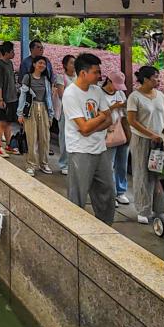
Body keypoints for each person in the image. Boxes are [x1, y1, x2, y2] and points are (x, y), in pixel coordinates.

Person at [62, 53, 121, 223]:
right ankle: (74, 229)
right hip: (80, 150)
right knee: (78, 195)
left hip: (100, 148)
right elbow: (84, 127)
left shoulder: (97, 91)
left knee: (108, 191)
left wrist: (94, 124)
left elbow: (107, 120)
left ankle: (105, 226)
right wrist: (100, 118)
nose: (99, 76)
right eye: (95, 72)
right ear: (83, 73)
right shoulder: (71, 94)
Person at [125, 65, 164, 223]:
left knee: (160, 173)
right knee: (142, 172)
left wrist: (162, 134)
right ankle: (143, 208)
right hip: (142, 139)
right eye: (155, 77)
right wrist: (150, 134)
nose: (158, 80)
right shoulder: (134, 97)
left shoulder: (161, 96)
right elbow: (132, 120)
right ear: (146, 79)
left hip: (160, 139)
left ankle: (160, 208)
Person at [17, 55, 54, 175]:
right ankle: (31, 164)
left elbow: (49, 98)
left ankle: (44, 163)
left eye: (44, 63)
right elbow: (23, 96)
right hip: (30, 110)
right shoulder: (28, 77)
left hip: (43, 109)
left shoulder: (46, 80)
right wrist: (20, 113)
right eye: (40, 63)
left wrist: (50, 114)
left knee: (44, 138)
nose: (42, 65)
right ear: (34, 64)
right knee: (31, 138)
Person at [101, 74, 130, 205]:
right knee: (109, 164)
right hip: (108, 131)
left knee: (122, 163)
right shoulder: (99, 93)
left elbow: (125, 114)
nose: (117, 89)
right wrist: (113, 107)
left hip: (121, 130)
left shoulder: (120, 94)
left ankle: (121, 191)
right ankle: (111, 192)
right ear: (108, 81)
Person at [0, 42, 19, 156]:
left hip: (12, 98)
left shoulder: (10, 63)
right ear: (7, 52)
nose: (14, 53)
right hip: (4, 98)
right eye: (12, 51)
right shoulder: (0, 65)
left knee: (8, 123)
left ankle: (8, 145)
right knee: (2, 122)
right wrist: (0, 99)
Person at [52, 54, 75, 175]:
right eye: (71, 63)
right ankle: (64, 163)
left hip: (77, 112)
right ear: (65, 65)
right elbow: (62, 95)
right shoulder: (61, 77)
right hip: (65, 112)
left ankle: (73, 163)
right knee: (64, 138)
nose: (74, 65)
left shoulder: (79, 77)